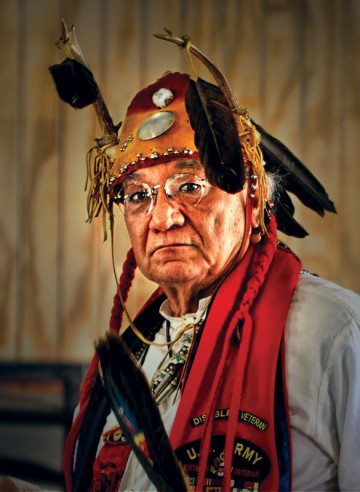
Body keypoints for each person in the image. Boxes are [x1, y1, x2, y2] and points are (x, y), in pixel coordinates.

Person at [51, 29, 360, 492]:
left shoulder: (336, 335)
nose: (163, 217)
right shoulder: (130, 353)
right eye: (138, 195)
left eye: (190, 186)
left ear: (252, 197)